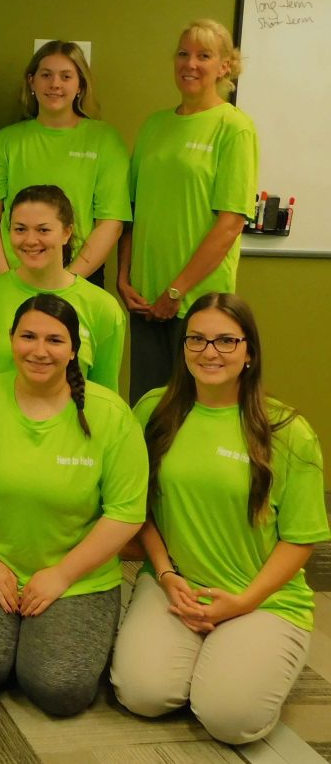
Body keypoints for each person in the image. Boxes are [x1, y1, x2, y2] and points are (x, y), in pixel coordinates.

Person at [111, 293, 328, 745]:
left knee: (230, 720)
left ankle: (248, 656)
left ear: (249, 352)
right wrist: (167, 574)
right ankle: (212, 657)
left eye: (227, 341)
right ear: (184, 347)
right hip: (176, 585)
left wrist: (243, 602)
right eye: (198, 340)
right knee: (142, 694)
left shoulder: (287, 431)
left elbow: (301, 540)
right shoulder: (154, 410)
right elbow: (138, 509)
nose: (210, 352)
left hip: (260, 596)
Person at [0, 295, 147, 716]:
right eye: (27, 336)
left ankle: (41, 638)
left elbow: (126, 514)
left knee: (58, 689)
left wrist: (60, 575)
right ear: (10, 340)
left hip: (75, 574)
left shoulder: (111, 415)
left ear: (73, 350)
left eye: (54, 339)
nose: (39, 350)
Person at [118, 19, 257, 402]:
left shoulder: (234, 128)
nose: (190, 64)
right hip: (146, 301)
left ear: (225, 66)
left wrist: (177, 290)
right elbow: (131, 210)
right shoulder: (154, 126)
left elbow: (229, 224)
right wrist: (124, 275)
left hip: (199, 304)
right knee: (147, 409)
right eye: (183, 54)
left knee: (194, 410)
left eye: (203, 55)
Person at [0, 40, 129, 284]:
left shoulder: (105, 141)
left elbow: (110, 224)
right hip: (12, 276)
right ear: (31, 82)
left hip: (79, 277)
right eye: (46, 75)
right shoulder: (6, 141)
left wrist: (68, 281)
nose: (55, 84)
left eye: (66, 76)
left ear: (80, 86)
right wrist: (6, 282)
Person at [0, 185, 126, 390]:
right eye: (20, 229)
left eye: (43, 230)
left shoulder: (103, 308)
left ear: (67, 232)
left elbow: (105, 399)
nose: (30, 240)